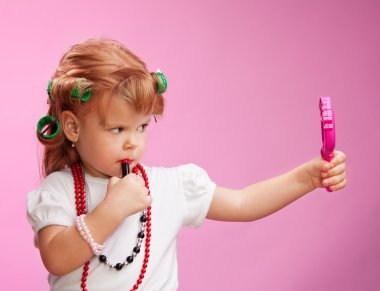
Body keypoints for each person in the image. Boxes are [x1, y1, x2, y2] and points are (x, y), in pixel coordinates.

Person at [27, 38, 347, 291]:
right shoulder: (60, 189)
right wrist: (110, 211)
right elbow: (55, 258)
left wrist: (307, 177)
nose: (132, 142)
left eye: (141, 127)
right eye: (116, 129)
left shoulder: (171, 186)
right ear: (72, 127)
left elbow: (243, 202)